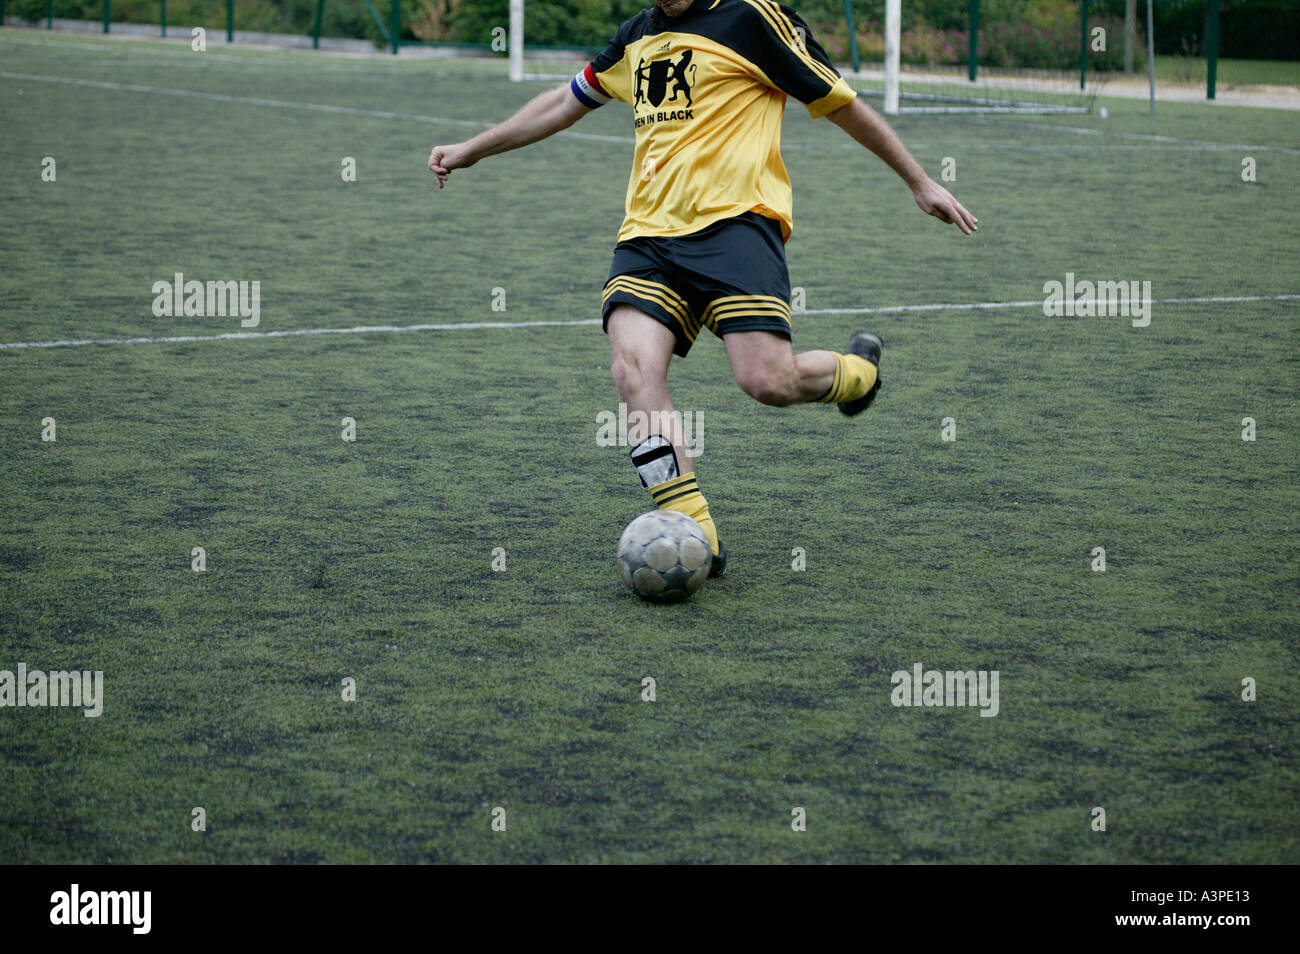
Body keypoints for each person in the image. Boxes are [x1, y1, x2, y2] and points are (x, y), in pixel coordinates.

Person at [429, 0, 977, 578]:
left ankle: (857, 375)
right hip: (647, 236)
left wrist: (919, 182)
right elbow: (565, 102)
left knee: (766, 380)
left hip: (735, 226)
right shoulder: (637, 34)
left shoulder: (752, 19)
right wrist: (473, 149)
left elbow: (840, 102)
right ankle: (697, 536)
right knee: (632, 371)